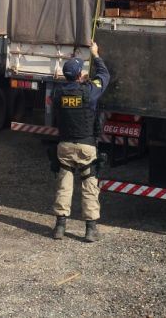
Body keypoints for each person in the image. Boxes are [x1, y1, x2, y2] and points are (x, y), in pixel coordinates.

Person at [51, 42, 110, 242]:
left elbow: (66, 97)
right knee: (89, 186)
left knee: (64, 186)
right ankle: (90, 230)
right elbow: (104, 76)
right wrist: (95, 54)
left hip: (64, 146)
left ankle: (60, 227)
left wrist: (78, 82)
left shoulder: (57, 93)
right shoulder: (89, 91)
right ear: (79, 75)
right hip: (86, 146)